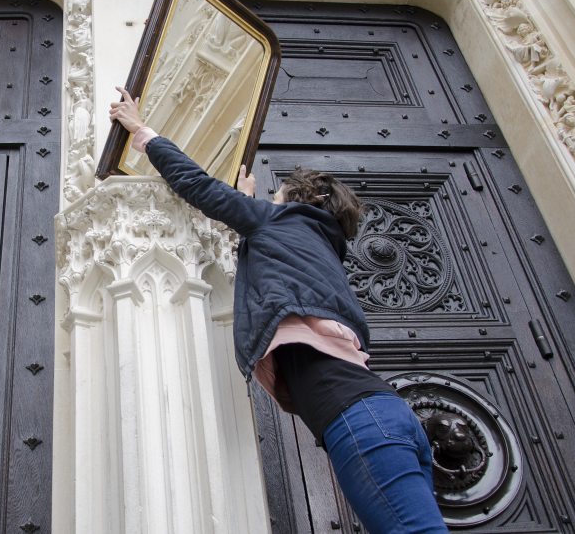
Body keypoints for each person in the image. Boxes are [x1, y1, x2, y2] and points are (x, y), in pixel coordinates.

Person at [109, 87, 448, 534]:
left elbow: (198, 186)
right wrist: (253, 213)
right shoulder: (322, 250)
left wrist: (142, 132)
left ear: (292, 200)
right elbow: (273, 270)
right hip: (389, 416)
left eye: (276, 195)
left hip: (361, 419)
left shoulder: (278, 222)